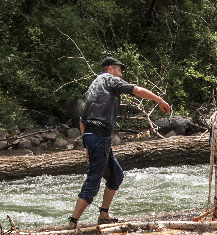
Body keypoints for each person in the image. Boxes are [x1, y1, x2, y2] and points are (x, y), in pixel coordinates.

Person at [67, 57, 171, 230]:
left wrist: (87, 144)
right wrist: (159, 99)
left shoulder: (94, 87)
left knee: (116, 175)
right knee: (94, 180)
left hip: (96, 138)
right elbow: (137, 90)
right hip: (99, 137)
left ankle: (103, 215)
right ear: (110, 69)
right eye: (119, 71)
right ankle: (72, 223)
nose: (121, 75)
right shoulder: (109, 79)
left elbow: (82, 121)